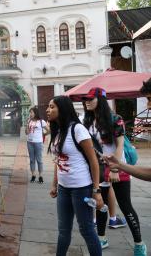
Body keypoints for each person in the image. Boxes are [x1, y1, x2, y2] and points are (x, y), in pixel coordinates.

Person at [82, 87, 147, 255]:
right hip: (99, 169)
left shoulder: (115, 119)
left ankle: (139, 243)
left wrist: (115, 169)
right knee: (100, 205)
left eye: (90, 99)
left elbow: (118, 147)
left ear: (101, 100)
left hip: (119, 168)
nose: (87, 102)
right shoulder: (88, 121)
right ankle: (102, 238)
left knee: (125, 206)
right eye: (86, 99)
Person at [47, 96, 103, 256]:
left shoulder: (77, 129)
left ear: (62, 109)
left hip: (82, 189)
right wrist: (54, 184)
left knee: (87, 230)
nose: (47, 110)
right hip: (64, 189)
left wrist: (96, 191)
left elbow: (93, 162)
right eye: (48, 107)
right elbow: (58, 161)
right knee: (63, 230)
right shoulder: (58, 132)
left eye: (52, 107)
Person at [104, 78, 151, 182]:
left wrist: (118, 167)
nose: (148, 106)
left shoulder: (116, 119)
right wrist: (119, 165)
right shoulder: (87, 121)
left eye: (150, 99)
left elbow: (120, 144)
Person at [25, 106, 49, 183]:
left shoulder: (41, 121)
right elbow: (26, 133)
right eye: (30, 113)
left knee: (39, 160)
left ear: (35, 113)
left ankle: (40, 176)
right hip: (30, 142)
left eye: (31, 112)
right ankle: (33, 175)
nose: (30, 114)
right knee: (32, 160)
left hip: (38, 142)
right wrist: (27, 125)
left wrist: (44, 134)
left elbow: (49, 130)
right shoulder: (29, 121)